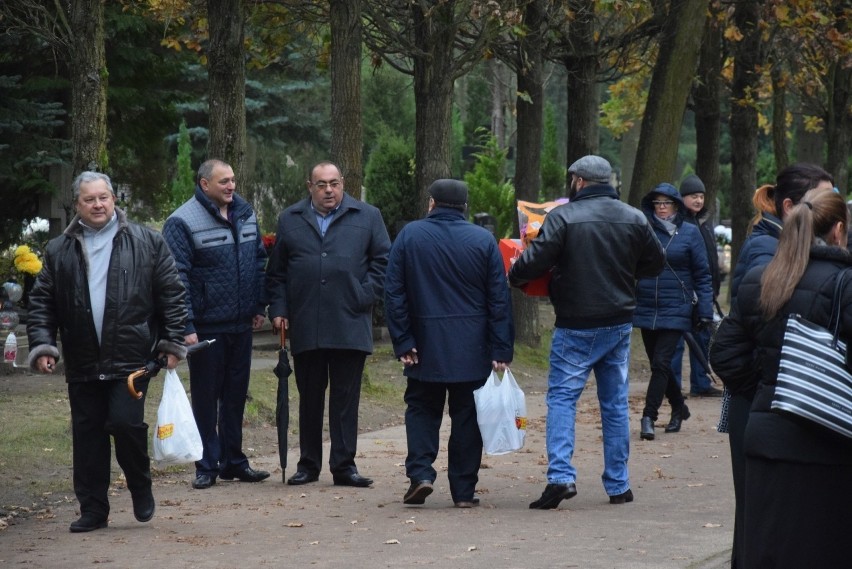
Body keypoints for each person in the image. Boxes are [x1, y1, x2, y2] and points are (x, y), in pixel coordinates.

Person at [26, 171, 188, 533]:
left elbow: (172, 295)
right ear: (77, 205)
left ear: (114, 199)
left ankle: (140, 486)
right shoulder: (58, 250)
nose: (98, 205)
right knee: (88, 436)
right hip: (83, 360)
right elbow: (42, 303)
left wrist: (172, 343)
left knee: (126, 423)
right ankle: (93, 510)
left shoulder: (147, 241)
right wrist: (42, 345)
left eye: (104, 197)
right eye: (89, 199)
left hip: (131, 359)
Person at [508, 155, 665, 509]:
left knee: (563, 398)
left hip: (576, 322)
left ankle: (561, 478)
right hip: (619, 321)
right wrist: (625, 273)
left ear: (578, 181)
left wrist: (515, 275)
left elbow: (536, 261)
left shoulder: (563, 217)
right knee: (614, 402)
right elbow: (655, 262)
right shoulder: (634, 216)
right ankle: (619, 484)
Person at [710, 187, 852, 567]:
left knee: (768, 550)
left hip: (766, 438)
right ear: (838, 230)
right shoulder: (845, 285)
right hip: (829, 441)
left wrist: (767, 388)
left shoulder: (762, 279)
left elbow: (724, 353)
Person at [384, 179, 514, 508]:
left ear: (432, 203)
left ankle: (421, 474)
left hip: (424, 345)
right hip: (472, 349)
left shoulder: (410, 236)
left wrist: (403, 340)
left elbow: (394, 293)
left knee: (422, 410)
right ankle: (464, 491)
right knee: (468, 417)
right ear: (465, 207)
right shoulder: (483, 240)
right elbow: (499, 300)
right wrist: (501, 348)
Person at [266, 161, 391, 488]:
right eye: (321, 184)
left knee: (345, 399)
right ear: (310, 186)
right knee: (309, 398)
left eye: (334, 183)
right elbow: (277, 273)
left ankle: (344, 466)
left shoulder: (367, 216)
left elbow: (384, 263)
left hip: (349, 321)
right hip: (307, 322)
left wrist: (362, 295)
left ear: (343, 183)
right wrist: (279, 308)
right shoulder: (290, 219)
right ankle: (308, 464)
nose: (328, 190)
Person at [162, 159, 270, 490]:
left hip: (241, 323)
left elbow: (258, 261)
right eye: (223, 181)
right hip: (206, 327)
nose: (231, 186)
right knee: (207, 397)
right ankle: (206, 464)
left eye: (233, 180)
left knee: (236, 395)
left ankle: (234, 461)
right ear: (204, 184)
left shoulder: (246, 213)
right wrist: (186, 324)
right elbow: (176, 276)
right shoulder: (182, 221)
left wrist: (257, 304)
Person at [634, 183, 713, 441]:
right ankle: (679, 407)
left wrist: (705, 310)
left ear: (676, 206)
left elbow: (702, 274)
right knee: (660, 365)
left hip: (676, 306)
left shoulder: (690, 233)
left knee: (660, 363)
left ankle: (649, 416)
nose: (662, 208)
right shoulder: (643, 231)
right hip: (646, 305)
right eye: (657, 203)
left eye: (667, 203)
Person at [671, 174, 723, 397]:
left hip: (704, 291)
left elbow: (710, 259)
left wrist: (713, 289)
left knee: (702, 336)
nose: (698, 200)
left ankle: (700, 383)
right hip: (683, 291)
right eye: (693, 196)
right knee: (677, 341)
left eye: (701, 196)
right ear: (682, 198)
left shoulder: (705, 223)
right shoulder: (677, 223)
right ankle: (672, 386)